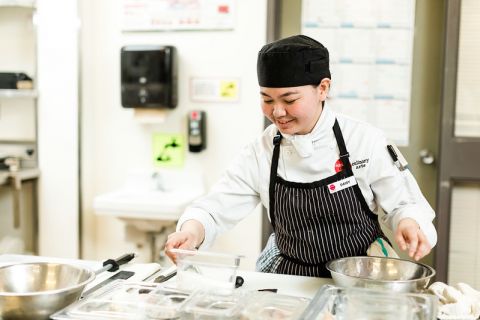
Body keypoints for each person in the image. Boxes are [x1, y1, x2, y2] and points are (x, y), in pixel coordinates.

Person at [165, 34, 437, 277]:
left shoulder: (364, 141)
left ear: (323, 88)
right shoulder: (261, 151)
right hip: (288, 274)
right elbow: (214, 209)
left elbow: (403, 204)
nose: (278, 112)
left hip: (358, 275)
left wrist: (408, 222)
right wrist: (191, 231)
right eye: (267, 100)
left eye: (290, 100)